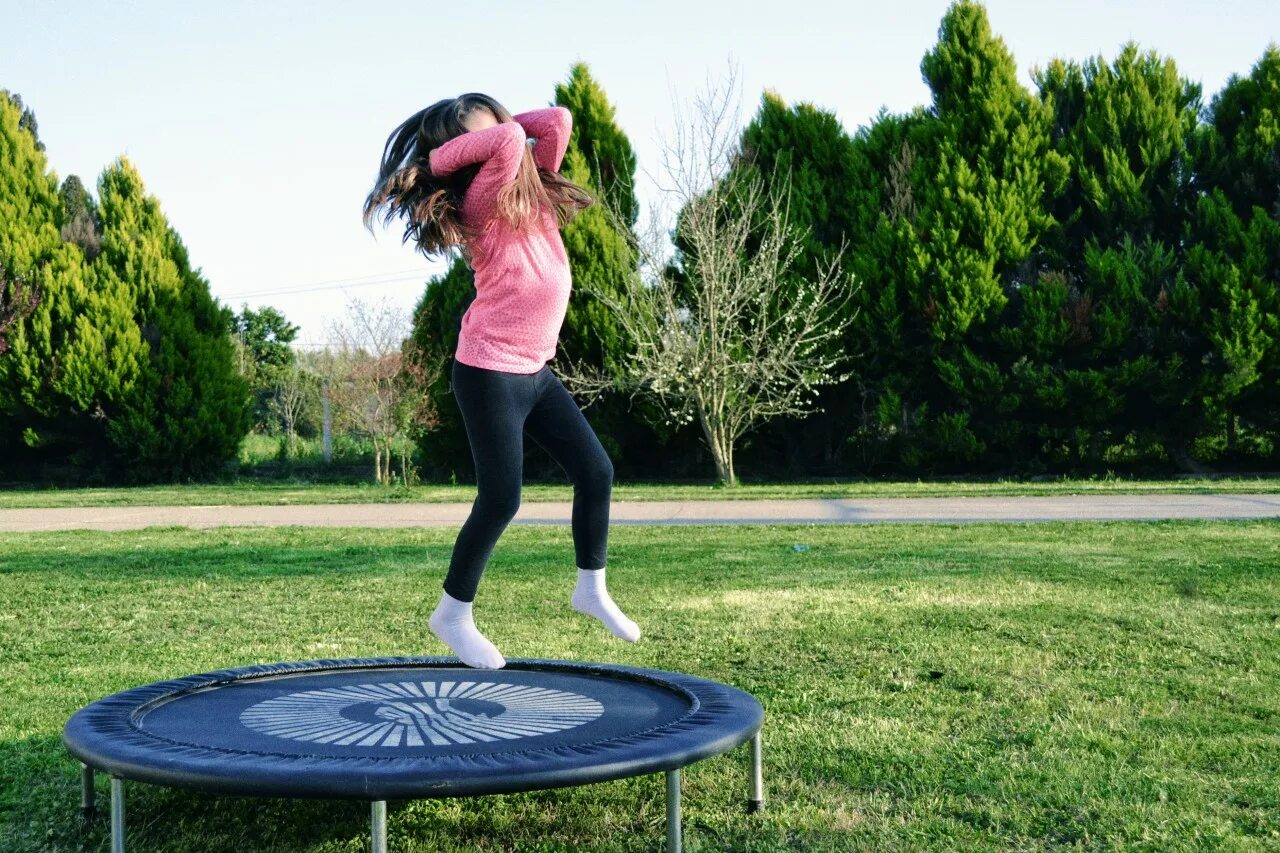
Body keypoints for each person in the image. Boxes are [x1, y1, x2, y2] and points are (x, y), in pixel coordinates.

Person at [362, 93, 640, 669]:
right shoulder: (484, 201)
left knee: (597, 471)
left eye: (496, 128)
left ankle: (590, 587)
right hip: (489, 369)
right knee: (501, 499)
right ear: (467, 156)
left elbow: (557, 121)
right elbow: (512, 141)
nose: (506, 139)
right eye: (481, 139)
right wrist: (445, 158)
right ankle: (453, 614)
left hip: (535, 370)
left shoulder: (530, 186)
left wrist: (496, 122)